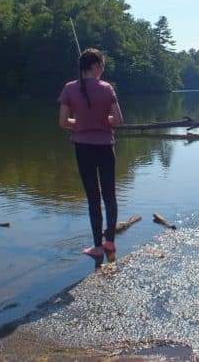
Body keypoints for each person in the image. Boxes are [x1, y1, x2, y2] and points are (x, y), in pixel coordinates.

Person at [58, 48, 124, 257]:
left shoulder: (69, 88)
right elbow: (119, 120)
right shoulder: (106, 88)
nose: (102, 69)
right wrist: (103, 121)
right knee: (109, 195)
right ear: (95, 66)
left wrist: (80, 123)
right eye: (102, 65)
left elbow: (62, 122)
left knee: (93, 197)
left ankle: (97, 246)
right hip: (105, 148)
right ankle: (110, 243)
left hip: (83, 149)